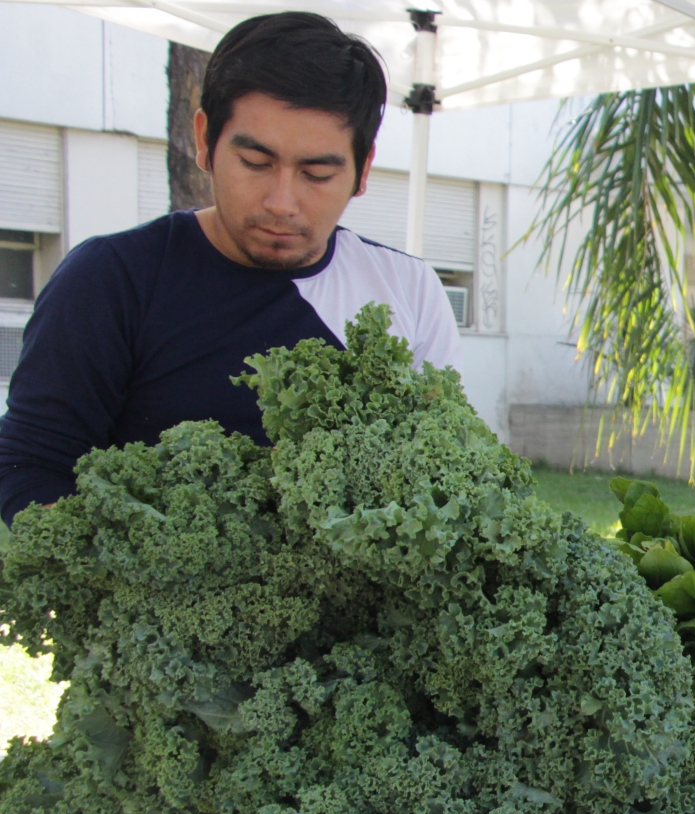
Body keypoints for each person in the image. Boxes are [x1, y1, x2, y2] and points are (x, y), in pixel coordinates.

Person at [0, 12, 461, 524]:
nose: (281, 202)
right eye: (256, 164)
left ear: (363, 169)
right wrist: (137, 557)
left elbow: (442, 470)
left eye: (316, 174)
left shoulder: (409, 289)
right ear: (205, 139)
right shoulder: (111, 279)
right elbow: (31, 465)